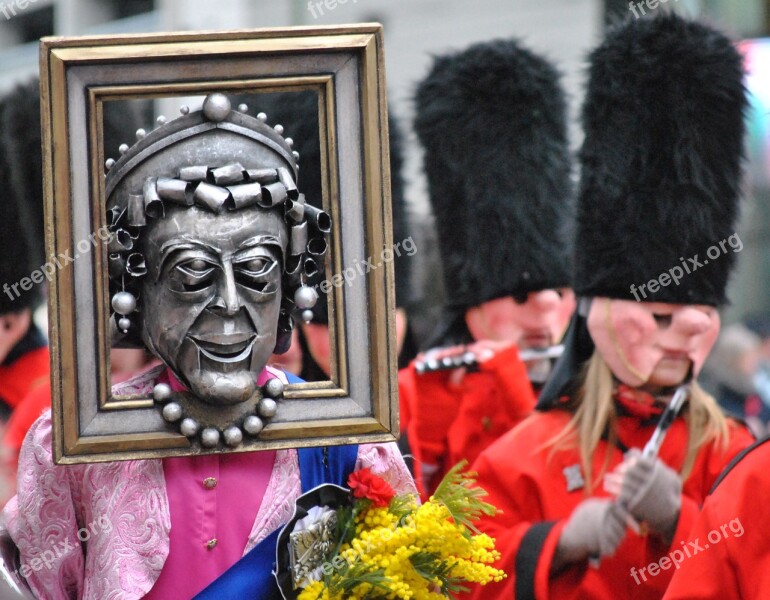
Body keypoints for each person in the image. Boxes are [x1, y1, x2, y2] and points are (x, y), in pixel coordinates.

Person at [2, 92, 415, 599]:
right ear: (139, 294)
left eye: (257, 271)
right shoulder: (67, 444)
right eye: (192, 273)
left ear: (287, 289)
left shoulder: (345, 435)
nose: (228, 303)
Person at [468, 14, 755, 600]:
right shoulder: (518, 456)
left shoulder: (736, 454)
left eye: (695, 315)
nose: (681, 335)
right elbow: (450, 570)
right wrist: (555, 544)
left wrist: (683, 523)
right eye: (659, 316)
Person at [401, 39, 576, 497]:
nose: (546, 311)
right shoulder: (416, 390)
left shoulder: (598, 389)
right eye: (520, 295)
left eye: (560, 292)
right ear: (473, 310)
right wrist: (430, 429)